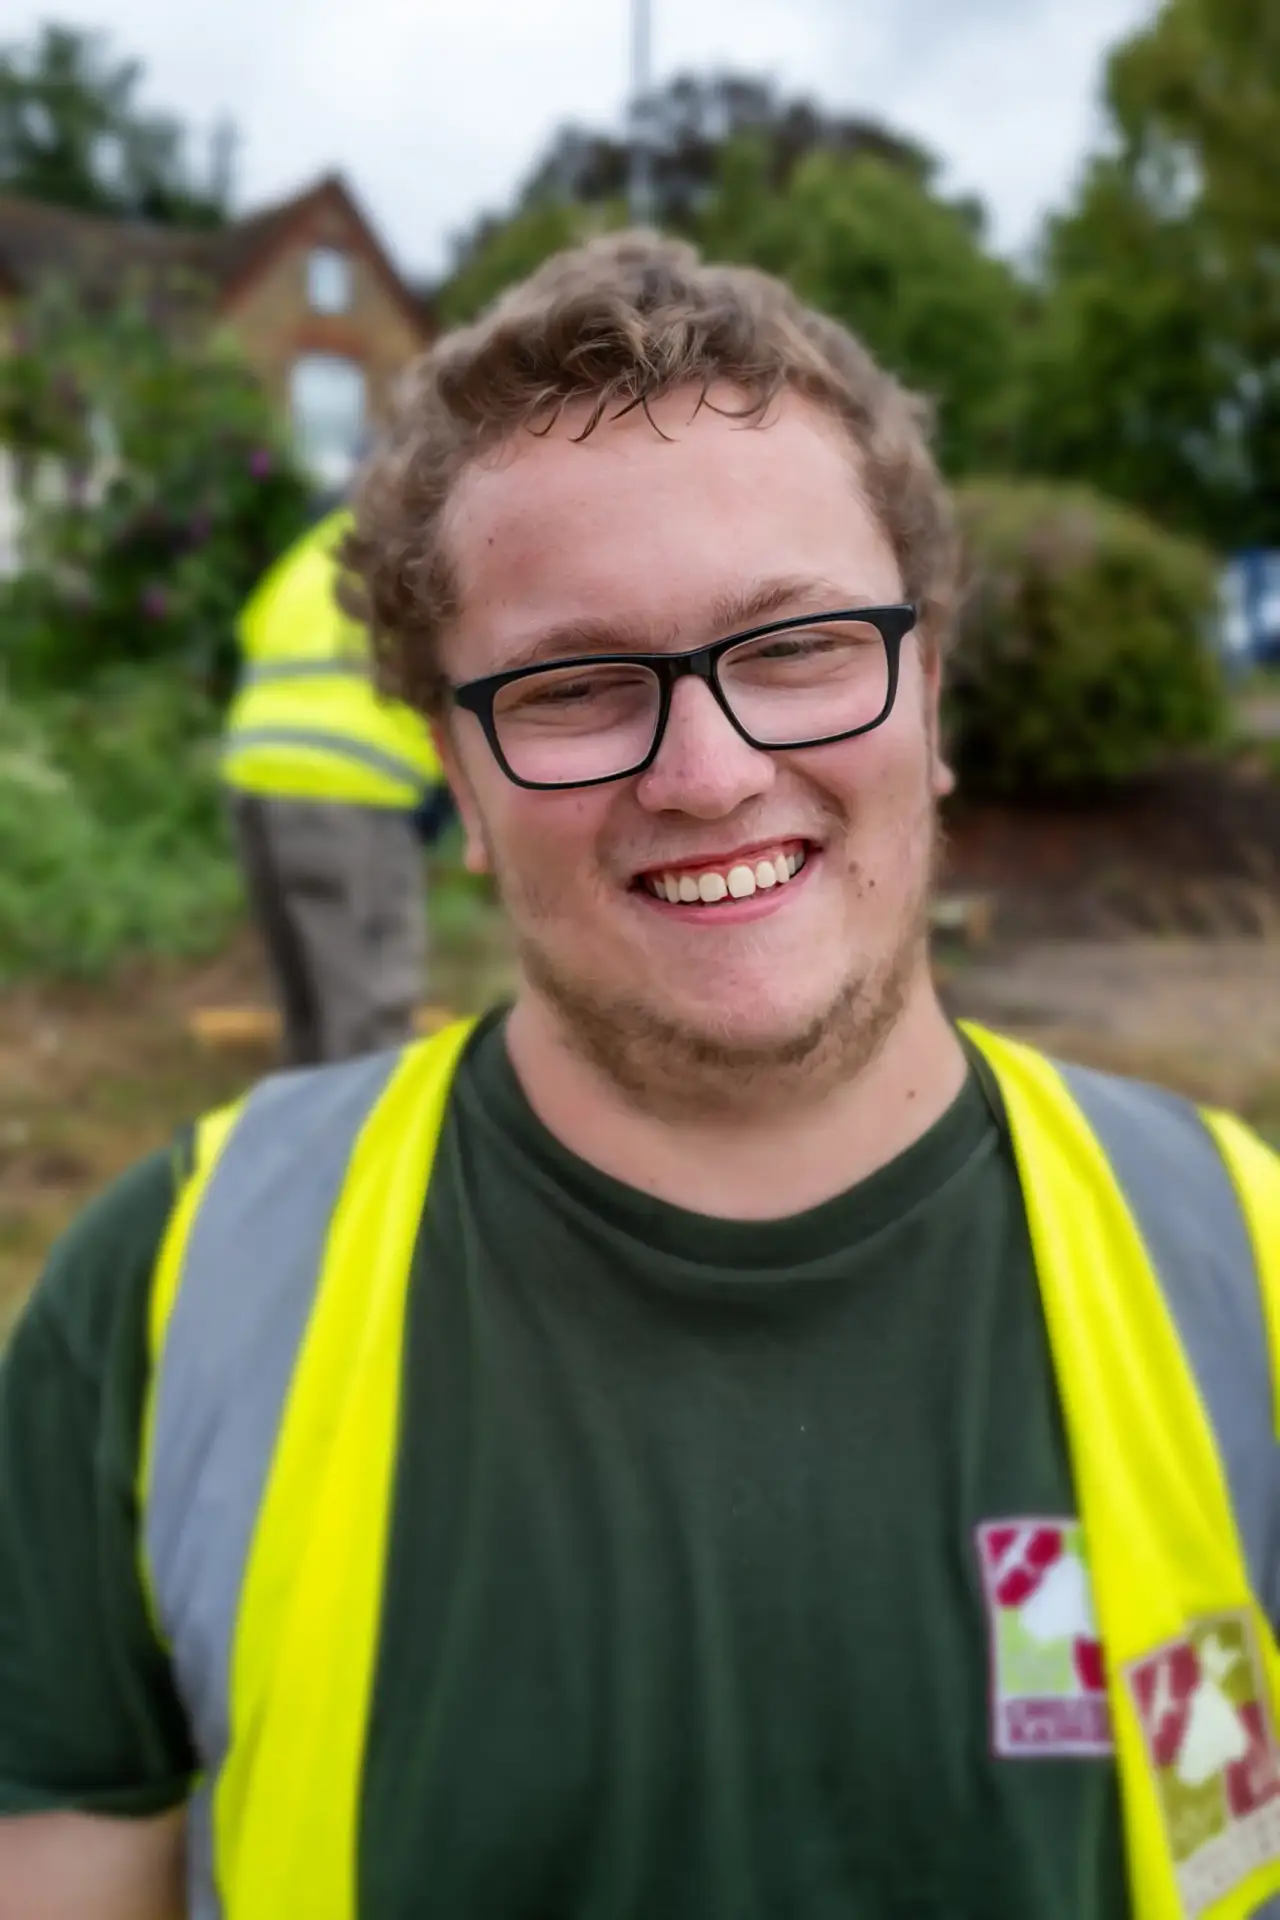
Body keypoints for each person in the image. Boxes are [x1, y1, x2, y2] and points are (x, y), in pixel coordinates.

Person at [1, 233, 1278, 1920]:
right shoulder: (171, 1302)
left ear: (931, 685)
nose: (709, 769)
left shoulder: (1247, 1270)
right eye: (578, 685)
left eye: (800, 646)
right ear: (457, 770)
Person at [221, 500, 449, 1065]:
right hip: (349, 788)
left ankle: (311, 1139)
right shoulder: (427, 538)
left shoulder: (317, 547)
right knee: (369, 1015)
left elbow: (253, 634)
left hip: (256, 777)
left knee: (309, 1008)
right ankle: (365, 1147)